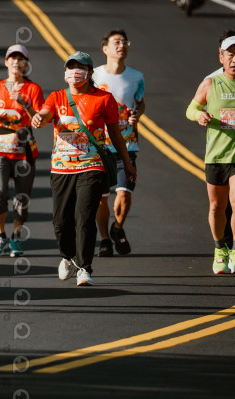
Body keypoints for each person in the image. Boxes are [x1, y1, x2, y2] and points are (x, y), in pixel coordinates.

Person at [31, 51, 136, 286]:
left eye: (80, 68)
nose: (75, 72)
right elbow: (46, 113)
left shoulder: (104, 98)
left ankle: (84, 267)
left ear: (89, 73)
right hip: (62, 168)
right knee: (61, 221)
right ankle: (67, 257)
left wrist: (127, 163)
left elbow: (115, 134)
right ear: (65, 72)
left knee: (85, 216)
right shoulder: (57, 96)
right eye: (71, 67)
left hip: (92, 165)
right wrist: (39, 118)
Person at [0, 44, 44, 257]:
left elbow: (39, 120)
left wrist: (25, 104)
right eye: (12, 58)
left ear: (26, 64)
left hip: (24, 149)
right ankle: (0, 236)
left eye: (21, 59)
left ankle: (16, 238)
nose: (16, 62)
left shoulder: (33, 89)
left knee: (22, 198)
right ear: (6, 62)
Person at [186, 35, 235, 274]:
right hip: (216, 156)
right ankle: (220, 249)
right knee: (217, 207)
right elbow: (191, 108)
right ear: (221, 57)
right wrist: (199, 115)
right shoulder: (211, 84)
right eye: (230, 55)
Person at [93, 30, 145, 257]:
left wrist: (137, 115)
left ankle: (117, 227)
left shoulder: (137, 77)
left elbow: (140, 103)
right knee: (101, 197)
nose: (121, 45)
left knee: (124, 193)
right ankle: (105, 239)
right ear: (105, 48)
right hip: (100, 145)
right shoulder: (94, 76)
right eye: (116, 42)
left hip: (127, 144)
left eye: (124, 42)